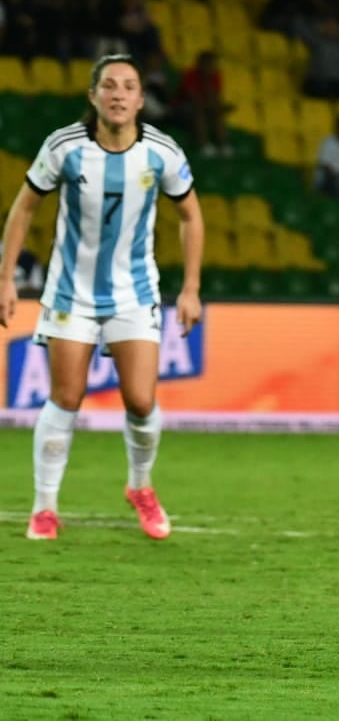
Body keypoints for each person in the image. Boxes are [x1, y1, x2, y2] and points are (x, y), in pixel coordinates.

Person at [0, 53, 205, 540]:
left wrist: (191, 288)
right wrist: (6, 279)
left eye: (129, 87)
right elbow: (23, 209)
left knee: (141, 400)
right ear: (92, 95)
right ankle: (44, 508)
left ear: (141, 99)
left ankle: (140, 486)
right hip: (70, 292)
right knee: (65, 397)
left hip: (134, 291)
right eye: (109, 85)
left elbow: (191, 216)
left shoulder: (161, 152)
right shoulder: (64, 147)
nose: (118, 94)